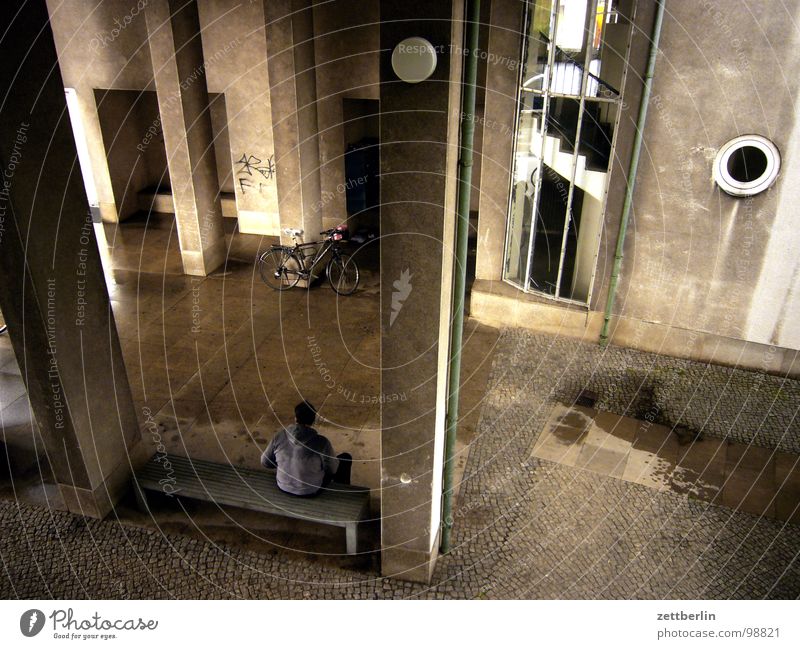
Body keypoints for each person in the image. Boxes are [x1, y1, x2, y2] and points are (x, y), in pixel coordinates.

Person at [261, 401, 352, 496]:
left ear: (296, 418)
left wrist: (285, 462)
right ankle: (344, 495)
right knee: (345, 458)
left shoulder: (279, 436)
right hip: (309, 491)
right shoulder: (322, 442)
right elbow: (332, 470)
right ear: (313, 421)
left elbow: (265, 462)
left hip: (283, 486)